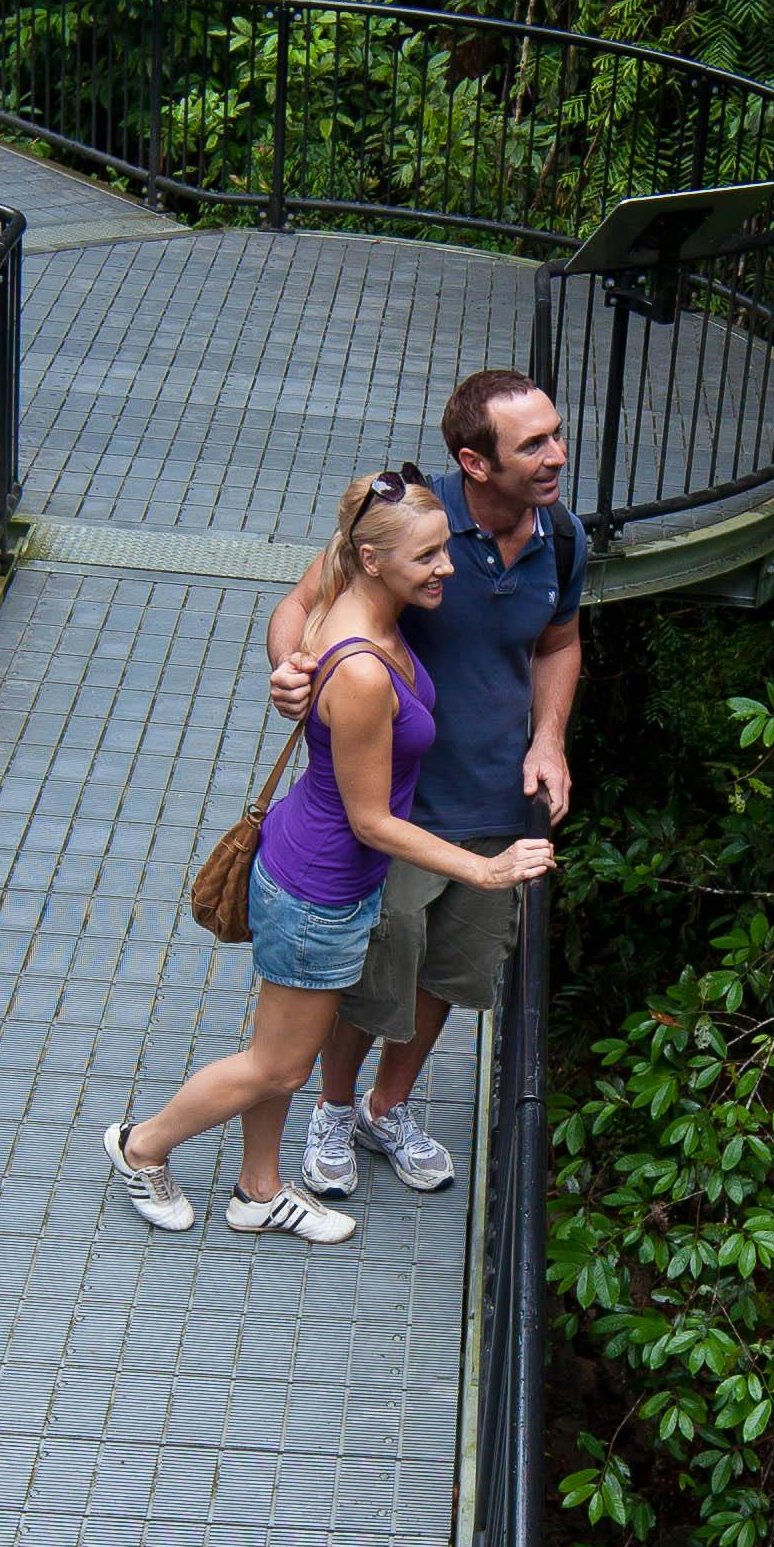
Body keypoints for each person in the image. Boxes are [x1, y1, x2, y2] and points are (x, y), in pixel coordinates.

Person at [104, 466, 555, 1241]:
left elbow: (298, 610)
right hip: (321, 885)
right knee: (278, 1064)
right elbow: (371, 820)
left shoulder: (361, 605)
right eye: (428, 558)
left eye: (445, 549)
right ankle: (141, 1147)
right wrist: (483, 868)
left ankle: (258, 1189)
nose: (446, 567)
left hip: (319, 871)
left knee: (282, 1046)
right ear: (374, 561)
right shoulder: (357, 667)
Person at [263, 366, 582, 1200]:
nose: (557, 454)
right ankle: (332, 1109)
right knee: (379, 970)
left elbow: (558, 643)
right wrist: (294, 671)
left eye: (555, 433)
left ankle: (386, 1107)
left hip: (498, 803)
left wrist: (549, 738)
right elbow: (301, 605)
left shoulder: (563, 536)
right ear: (476, 464)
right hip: (402, 806)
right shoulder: (415, 520)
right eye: (534, 444)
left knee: (452, 968)